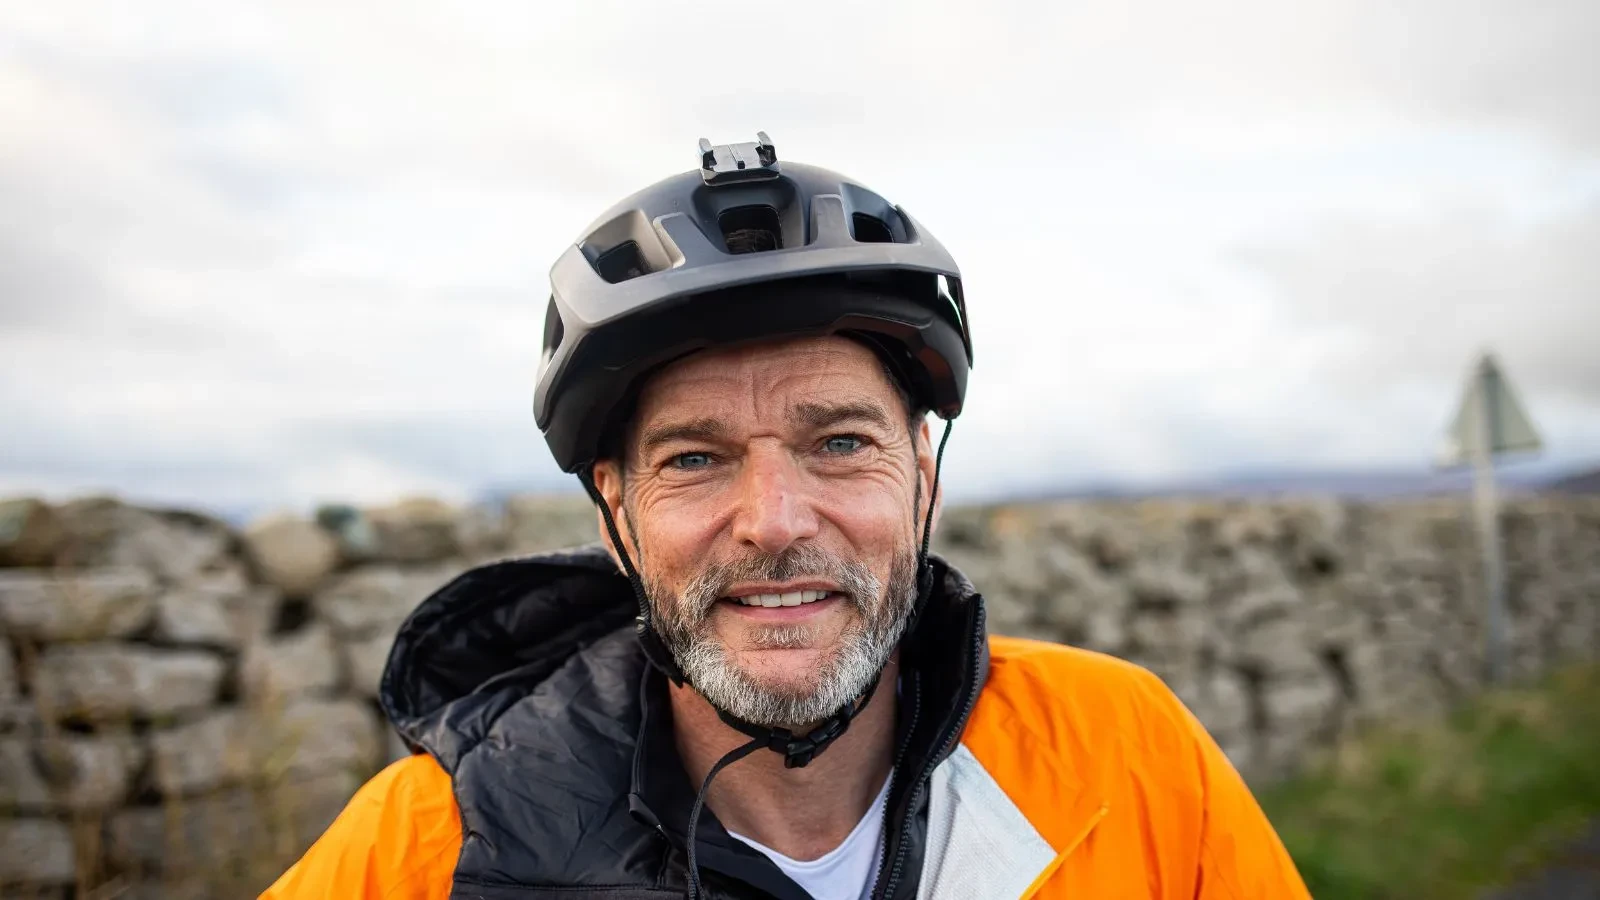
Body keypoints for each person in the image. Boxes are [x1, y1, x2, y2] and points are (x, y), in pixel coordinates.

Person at [262, 134, 1311, 899]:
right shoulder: (429, 850)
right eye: (695, 457)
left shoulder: (1122, 752)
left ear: (922, 482)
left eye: (840, 444)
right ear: (614, 515)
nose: (772, 520)